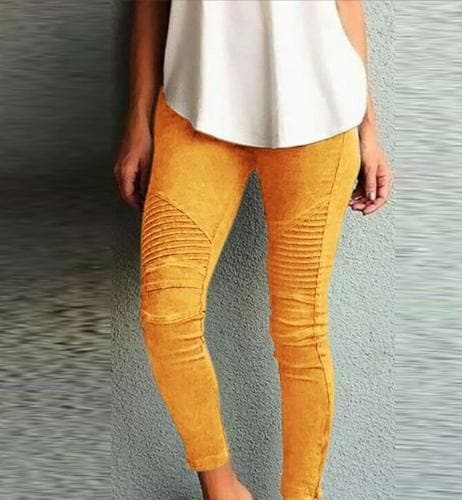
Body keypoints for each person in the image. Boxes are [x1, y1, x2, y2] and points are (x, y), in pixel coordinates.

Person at [113, 1, 392, 499]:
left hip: (321, 113)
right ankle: (222, 489)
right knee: (167, 314)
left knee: (300, 329)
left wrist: (368, 127)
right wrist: (138, 120)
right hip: (193, 104)